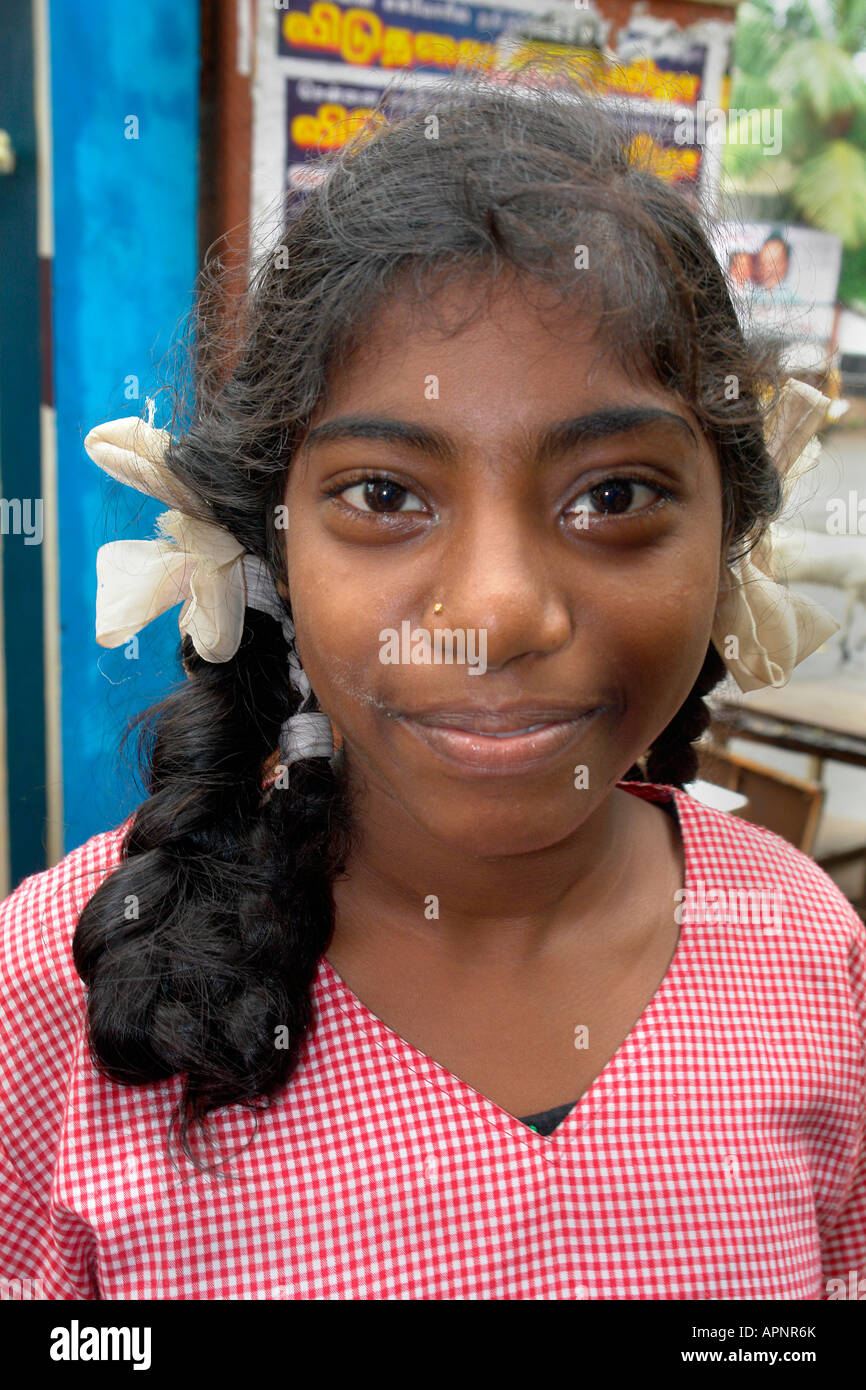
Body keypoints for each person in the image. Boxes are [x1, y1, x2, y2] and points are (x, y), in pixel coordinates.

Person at [0, 71, 862, 1302]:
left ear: (730, 540)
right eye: (385, 495)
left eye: (611, 496)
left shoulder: (803, 950)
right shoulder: (55, 988)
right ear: (266, 546)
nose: (499, 613)